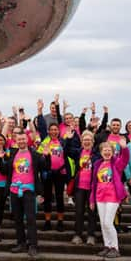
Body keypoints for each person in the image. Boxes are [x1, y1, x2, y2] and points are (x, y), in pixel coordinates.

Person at [0, 126, 50, 258]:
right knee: (18, 219)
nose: (21, 141)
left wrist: (48, 156)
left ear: (27, 140)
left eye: (23, 139)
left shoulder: (35, 154)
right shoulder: (13, 154)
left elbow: (46, 167)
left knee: (31, 219)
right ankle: (21, 243)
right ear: (15, 140)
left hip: (29, 191)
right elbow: (4, 171)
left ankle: (33, 245)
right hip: (14, 190)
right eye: (18, 139)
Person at [36, 99, 81, 232]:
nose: (54, 132)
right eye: (52, 130)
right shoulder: (46, 140)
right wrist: (39, 111)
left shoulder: (63, 141)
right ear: (49, 132)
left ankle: (60, 221)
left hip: (60, 173)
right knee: (48, 197)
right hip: (48, 173)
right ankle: (48, 221)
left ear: (58, 131)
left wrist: (72, 136)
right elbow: (42, 126)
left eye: (56, 130)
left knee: (60, 197)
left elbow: (73, 147)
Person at [90, 140, 129, 258]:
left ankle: (115, 247)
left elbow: (125, 160)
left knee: (108, 222)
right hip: (100, 196)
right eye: (104, 150)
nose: (107, 152)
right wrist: (92, 199)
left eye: (109, 150)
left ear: (112, 152)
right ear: (101, 152)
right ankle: (107, 246)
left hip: (112, 197)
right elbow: (94, 183)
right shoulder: (97, 164)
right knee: (102, 223)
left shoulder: (116, 163)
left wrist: (124, 148)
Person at [69, 130, 100, 245]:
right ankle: (78, 234)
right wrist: (68, 139)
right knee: (79, 211)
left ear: (93, 142)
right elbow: (67, 151)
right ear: (81, 141)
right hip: (79, 188)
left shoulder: (97, 155)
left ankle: (91, 235)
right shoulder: (78, 153)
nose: (87, 142)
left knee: (92, 212)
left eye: (89, 140)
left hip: (92, 188)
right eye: (85, 140)